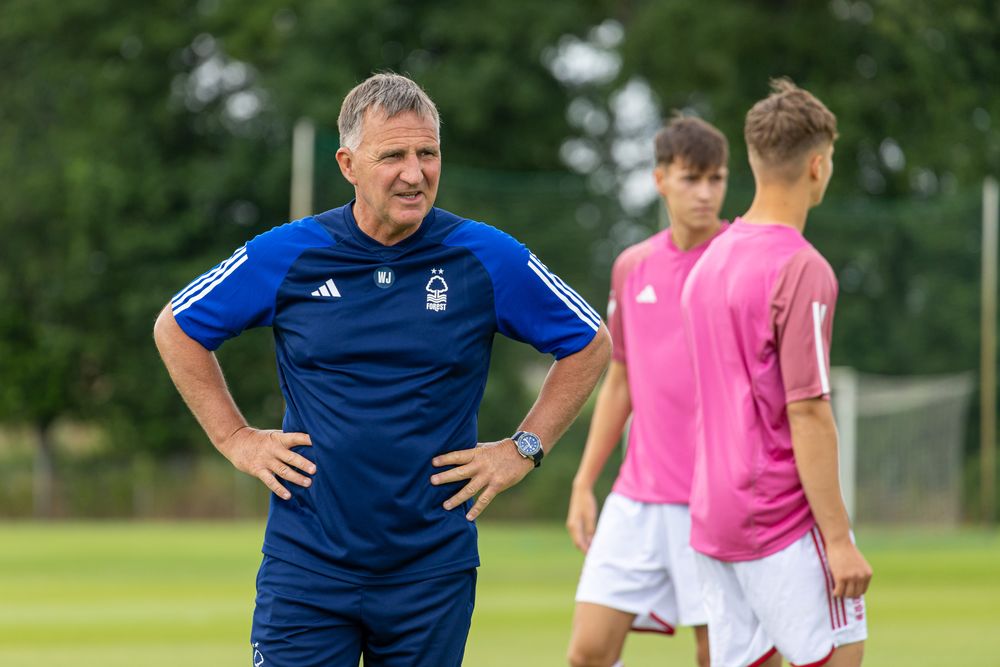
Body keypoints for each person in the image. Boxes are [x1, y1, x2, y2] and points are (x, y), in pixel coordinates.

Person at [153, 72, 611, 667]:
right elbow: (178, 326)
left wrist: (522, 448)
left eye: (428, 154)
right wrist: (235, 438)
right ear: (347, 163)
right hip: (306, 567)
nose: (415, 173)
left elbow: (589, 341)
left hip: (431, 573)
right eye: (392, 155)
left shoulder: (485, 257)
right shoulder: (288, 254)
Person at [681, 78, 872, 667]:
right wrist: (838, 543)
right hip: (780, 521)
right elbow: (808, 411)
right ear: (818, 166)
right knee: (841, 657)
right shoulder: (803, 269)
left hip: (714, 522)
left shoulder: (708, 261)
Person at [565, 115, 730, 667]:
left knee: (722, 657)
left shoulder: (742, 261)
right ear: (661, 180)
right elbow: (620, 381)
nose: (705, 193)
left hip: (719, 502)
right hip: (637, 499)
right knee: (588, 652)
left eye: (716, 179)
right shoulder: (632, 267)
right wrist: (585, 481)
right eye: (691, 178)